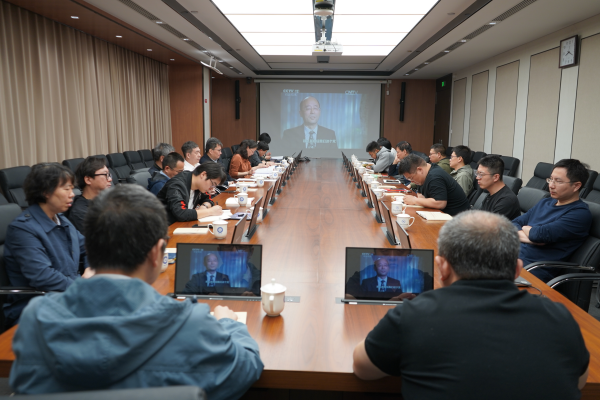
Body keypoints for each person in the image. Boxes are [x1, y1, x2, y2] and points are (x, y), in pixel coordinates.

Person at [10, 185, 264, 397]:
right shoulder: (191, 324)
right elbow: (246, 368)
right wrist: (230, 325)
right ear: (156, 253)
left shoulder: (36, 319)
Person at [353, 210, 589, 400]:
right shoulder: (560, 318)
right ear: (517, 270)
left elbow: (363, 369)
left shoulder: (412, 316)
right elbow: (579, 381)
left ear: (442, 267)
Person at [3, 163, 92, 329]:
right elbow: (43, 276)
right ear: (46, 191)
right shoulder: (23, 229)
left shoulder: (61, 220)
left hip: (68, 297)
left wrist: (89, 270)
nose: (72, 194)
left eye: (72, 188)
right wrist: (82, 286)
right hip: (37, 307)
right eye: (66, 189)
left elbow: (88, 248)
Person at [513, 159, 592, 282]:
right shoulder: (545, 202)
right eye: (550, 179)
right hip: (511, 259)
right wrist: (530, 234)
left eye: (558, 181)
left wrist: (530, 232)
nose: (551, 185)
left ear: (576, 186)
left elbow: (539, 235)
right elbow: (512, 224)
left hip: (531, 272)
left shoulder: (579, 214)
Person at [398, 154, 470, 216]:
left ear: (419, 170)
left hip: (458, 218)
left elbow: (440, 203)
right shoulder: (423, 175)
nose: (411, 181)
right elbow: (420, 195)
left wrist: (414, 200)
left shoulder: (435, 176)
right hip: (441, 214)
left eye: (411, 178)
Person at [157, 163, 226, 225]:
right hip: (164, 227)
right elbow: (181, 213)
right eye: (212, 184)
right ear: (203, 174)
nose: (212, 189)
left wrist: (204, 207)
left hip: (182, 225)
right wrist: (210, 211)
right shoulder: (176, 185)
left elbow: (208, 199)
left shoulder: (199, 185)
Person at [65, 156, 113, 233]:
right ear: (88, 180)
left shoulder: (108, 201)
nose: (110, 179)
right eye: (105, 175)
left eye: (109, 175)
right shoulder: (80, 213)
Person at [476, 155, 520, 220]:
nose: (477, 177)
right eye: (477, 174)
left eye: (481, 174)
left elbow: (489, 225)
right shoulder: (491, 194)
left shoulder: (506, 200)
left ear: (496, 177)